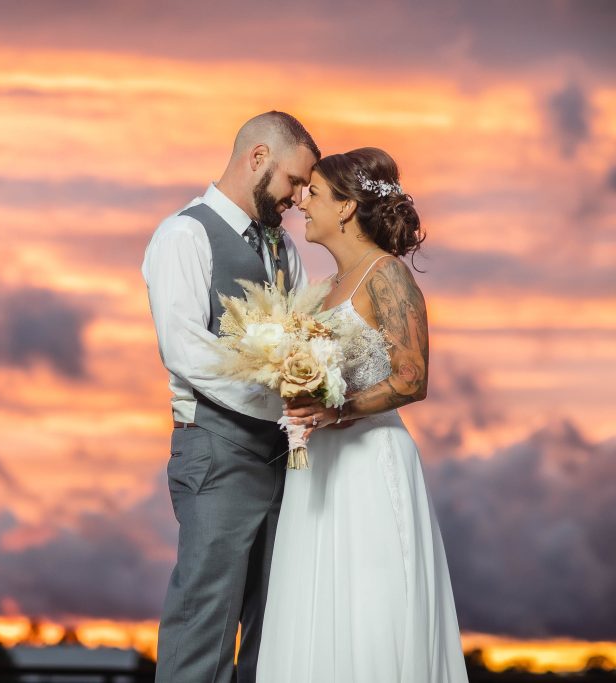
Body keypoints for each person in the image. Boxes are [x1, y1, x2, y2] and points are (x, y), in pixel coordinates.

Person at [256, 147, 468, 682]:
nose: (304, 204)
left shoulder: (386, 276)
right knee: (314, 602)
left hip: (368, 461)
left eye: (317, 194)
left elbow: (412, 377)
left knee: (371, 603)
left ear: (347, 208)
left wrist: (337, 411)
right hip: (318, 468)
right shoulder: (322, 290)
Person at [141, 111, 320, 683]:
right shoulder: (183, 234)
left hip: (284, 460)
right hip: (215, 454)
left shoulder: (283, 248)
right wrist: (282, 400)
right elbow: (185, 351)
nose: (297, 196)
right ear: (258, 158)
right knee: (205, 622)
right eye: (294, 181)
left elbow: (298, 332)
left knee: (274, 624)